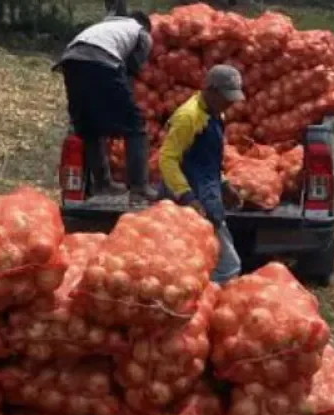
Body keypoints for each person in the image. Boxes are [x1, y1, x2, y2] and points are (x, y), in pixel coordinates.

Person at [53, 11, 158, 204]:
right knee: (135, 124)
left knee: (89, 127)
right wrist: (125, 105)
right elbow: (130, 70)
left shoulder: (106, 26)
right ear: (145, 25)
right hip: (101, 62)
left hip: (71, 62)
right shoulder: (141, 32)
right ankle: (139, 186)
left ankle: (102, 184)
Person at [158, 64, 245, 284]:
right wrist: (187, 196)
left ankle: (203, 295)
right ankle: (211, 297)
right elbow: (167, 159)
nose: (231, 103)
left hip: (207, 194)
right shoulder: (188, 117)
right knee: (227, 265)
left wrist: (224, 184)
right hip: (189, 198)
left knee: (200, 259)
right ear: (211, 90)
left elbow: (207, 160)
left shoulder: (215, 113)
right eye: (227, 97)